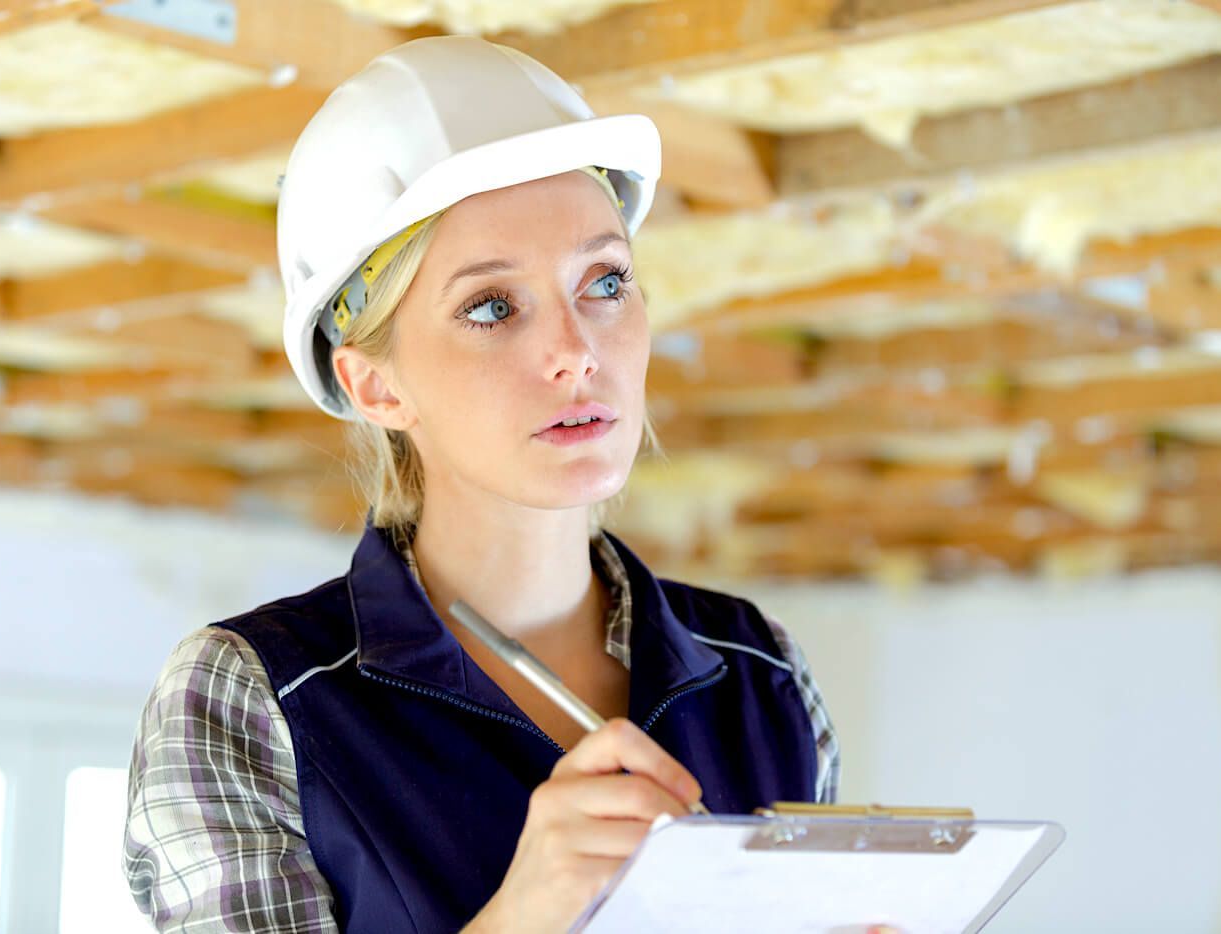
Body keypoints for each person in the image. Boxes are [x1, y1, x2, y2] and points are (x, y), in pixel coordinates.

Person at [123, 35, 839, 933]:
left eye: (605, 281)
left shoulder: (760, 673)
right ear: (376, 386)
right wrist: (526, 912)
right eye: (492, 307)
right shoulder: (255, 697)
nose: (576, 350)